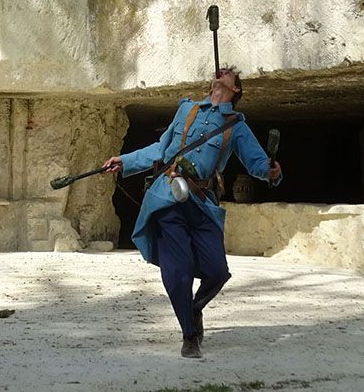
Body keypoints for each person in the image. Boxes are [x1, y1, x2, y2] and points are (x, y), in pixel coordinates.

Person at [102, 66, 282, 359]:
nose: (221, 73)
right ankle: (189, 335)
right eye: (219, 71)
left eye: (228, 74)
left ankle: (194, 308)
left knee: (217, 272)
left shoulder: (235, 125)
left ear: (235, 90)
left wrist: (271, 172)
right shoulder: (187, 110)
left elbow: (257, 163)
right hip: (168, 196)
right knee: (179, 269)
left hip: (202, 202)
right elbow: (161, 149)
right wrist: (125, 161)